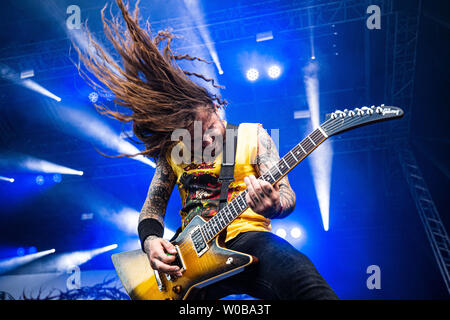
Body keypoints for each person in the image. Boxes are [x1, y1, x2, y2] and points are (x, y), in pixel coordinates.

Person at [76, 0, 338, 300]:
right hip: (188, 261)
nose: (206, 144)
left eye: (209, 131)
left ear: (215, 108)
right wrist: (150, 241)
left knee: (307, 285)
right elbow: (152, 207)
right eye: (195, 140)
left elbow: (287, 194)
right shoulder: (174, 149)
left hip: (248, 238)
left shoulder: (254, 135)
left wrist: (275, 204)